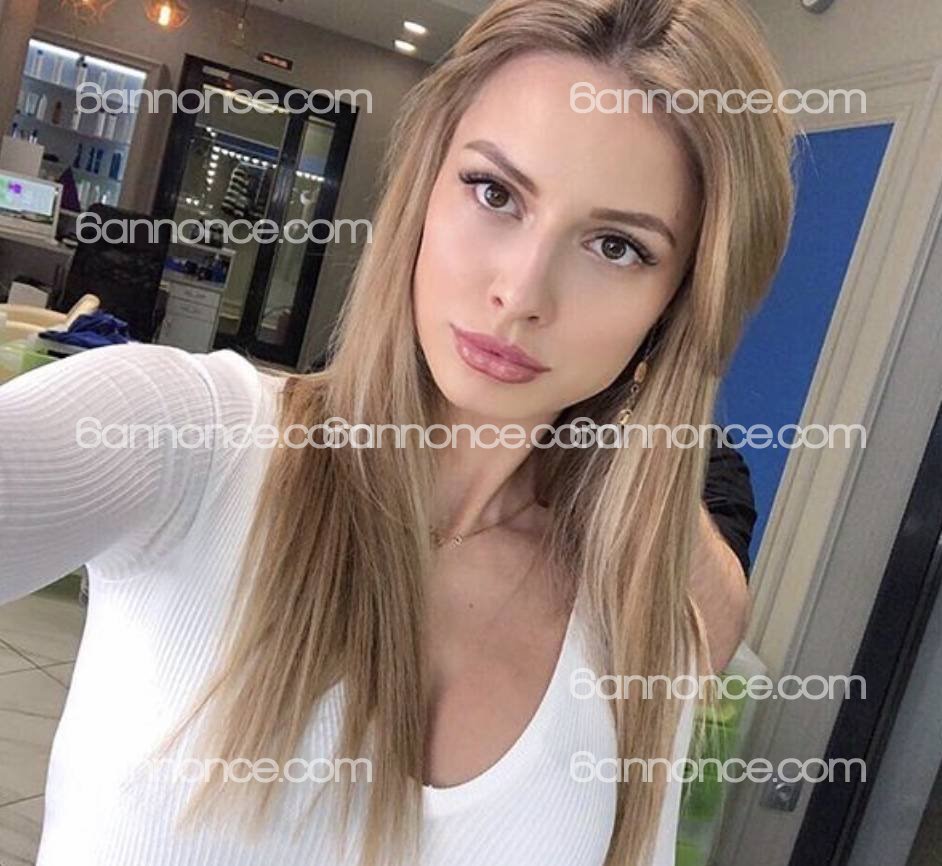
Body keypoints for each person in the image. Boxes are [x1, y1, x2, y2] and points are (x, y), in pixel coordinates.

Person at [0, 1, 794, 864]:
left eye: (615, 246)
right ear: (423, 189)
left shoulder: (634, 627)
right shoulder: (189, 435)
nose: (521, 292)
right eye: (495, 193)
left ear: (677, 305)